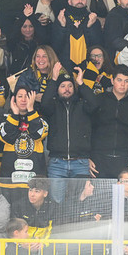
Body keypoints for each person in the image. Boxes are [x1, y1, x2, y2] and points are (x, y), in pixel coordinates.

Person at [40, 64, 97, 203]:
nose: (67, 89)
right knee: (57, 201)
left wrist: (81, 83)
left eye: (70, 86)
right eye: (63, 86)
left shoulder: (82, 105)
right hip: (57, 163)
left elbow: (95, 104)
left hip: (81, 162)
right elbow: (44, 103)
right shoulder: (53, 106)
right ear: (57, 89)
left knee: (81, 200)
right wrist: (53, 79)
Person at [90, 64, 128, 178]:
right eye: (119, 80)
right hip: (98, 159)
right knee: (100, 195)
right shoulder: (99, 100)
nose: (122, 84)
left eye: (126, 81)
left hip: (124, 160)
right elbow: (89, 129)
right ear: (112, 80)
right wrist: (88, 157)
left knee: (121, 195)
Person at [0, 86, 48, 205]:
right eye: (20, 96)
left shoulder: (40, 118)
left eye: (27, 96)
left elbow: (38, 134)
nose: (24, 99)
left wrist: (31, 110)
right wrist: (15, 116)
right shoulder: (5, 119)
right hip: (11, 178)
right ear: (14, 100)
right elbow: (7, 138)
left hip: (33, 179)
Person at [52, 0, 102, 69]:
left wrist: (90, 27)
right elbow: (56, 46)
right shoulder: (62, 18)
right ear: (69, 1)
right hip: (65, 67)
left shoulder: (92, 19)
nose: (80, 1)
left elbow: (98, 47)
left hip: (88, 68)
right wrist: (62, 26)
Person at [6, 5, 48, 75]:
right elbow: (11, 36)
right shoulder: (15, 42)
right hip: (18, 77)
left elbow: (43, 34)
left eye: (31, 26)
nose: (28, 30)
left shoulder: (40, 42)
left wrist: (31, 17)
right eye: (24, 27)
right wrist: (23, 17)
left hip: (38, 75)